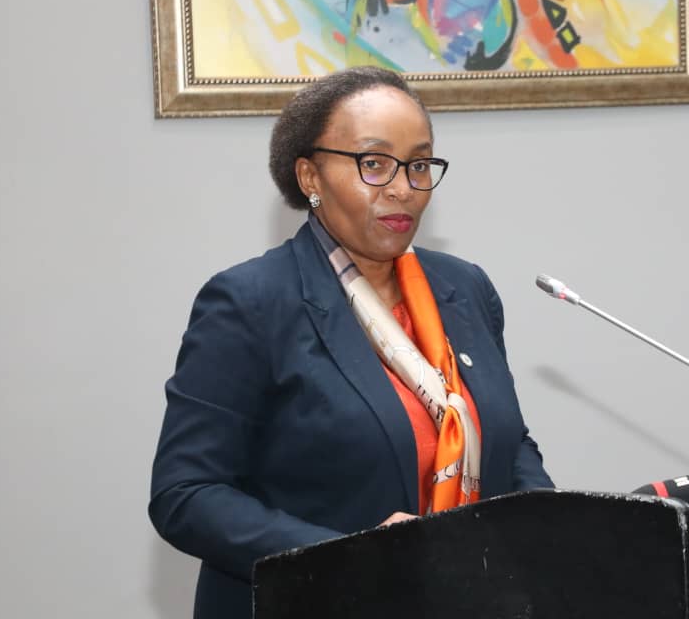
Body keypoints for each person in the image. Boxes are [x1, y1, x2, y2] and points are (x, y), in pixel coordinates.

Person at [149, 66, 553, 618]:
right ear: (310, 178)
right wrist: (352, 556)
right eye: (374, 163)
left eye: (418, 165)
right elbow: (186, 495)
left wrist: (551, 524)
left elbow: (506, 439)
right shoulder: (251, 303)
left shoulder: (464, 288)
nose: (403, 188)